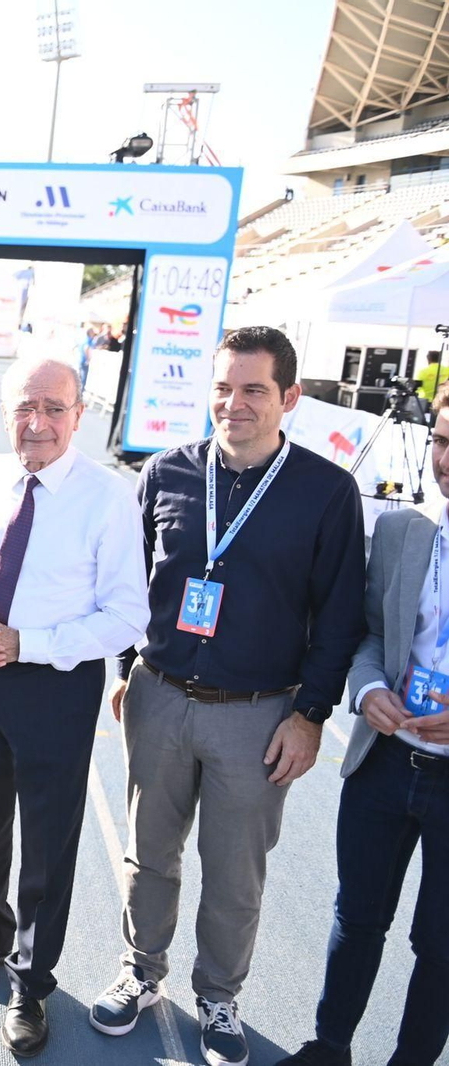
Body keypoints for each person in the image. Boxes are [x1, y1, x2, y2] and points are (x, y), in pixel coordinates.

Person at [90, 326, 365, 1066]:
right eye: (222, 387)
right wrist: (124, 671)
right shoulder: (166, 472)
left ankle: (218, 995)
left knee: (234, 871)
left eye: (252, 390)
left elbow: (341, 617)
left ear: (290, 398)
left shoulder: (326, 491)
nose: (233, 404)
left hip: (259, 715)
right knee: (149, 856)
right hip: (159, 695)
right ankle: (141, 972)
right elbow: (123, 583)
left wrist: (309, 716)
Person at [0, 356, 149, 1056]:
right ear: (7, 414)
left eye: (55, 408)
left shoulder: (109, 497)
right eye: (27, 407)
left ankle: (32, 981)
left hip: (54, 682)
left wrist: (32, 643)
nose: (39, 422)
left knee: (48, 847)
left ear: (81, 415)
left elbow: (126, 615)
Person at [276, 390, 449, 1066]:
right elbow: (372, 632)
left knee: (440, 943)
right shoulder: (406, 530)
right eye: (442, 439)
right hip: (384, 763)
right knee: (358, 919)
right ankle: (330, 1047)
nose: (448, 459)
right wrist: (370, 686)